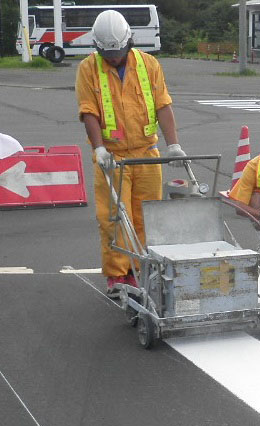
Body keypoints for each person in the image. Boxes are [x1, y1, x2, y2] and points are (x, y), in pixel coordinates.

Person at [75, 10, 185, 298]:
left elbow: (163, 105)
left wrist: (173, 144)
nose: (113, 58)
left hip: (147, 153)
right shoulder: (88, 69)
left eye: (118, 52)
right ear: (98, 48)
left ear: (129, 42)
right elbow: (89, 112)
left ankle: (143, 268)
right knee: (113, 218)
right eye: (107, 53)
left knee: (146, 216)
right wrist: (99, 148)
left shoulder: (149, 65)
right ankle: (118, 275)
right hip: (112, 157)